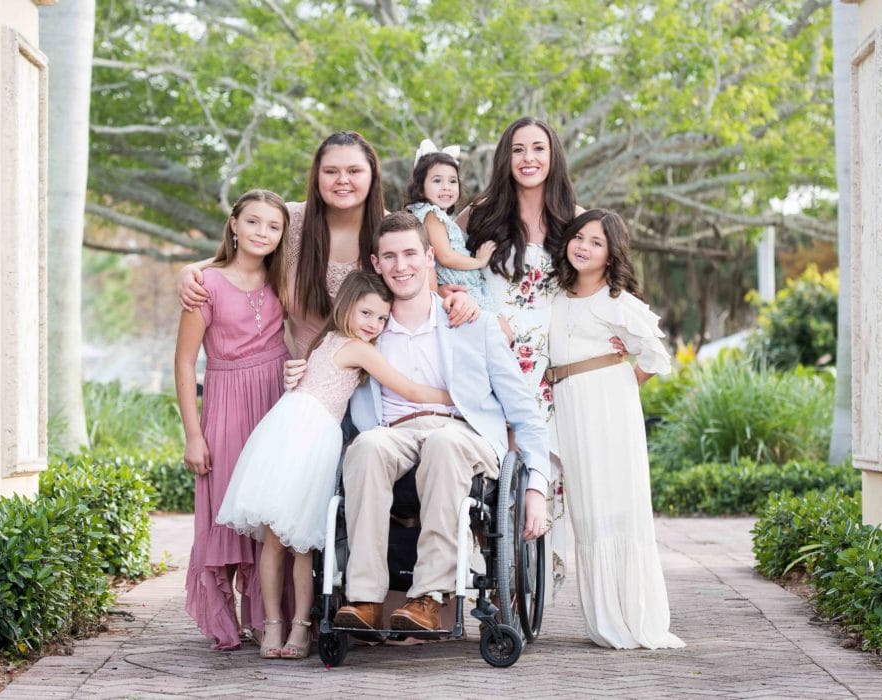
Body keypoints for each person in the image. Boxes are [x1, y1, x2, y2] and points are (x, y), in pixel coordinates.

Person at [285, 211, 552, 633]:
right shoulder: (367, 330)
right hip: (395, 434)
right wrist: (298, 378)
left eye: (410, 253)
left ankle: (430, 596)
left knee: (444, 443)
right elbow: (329, 374)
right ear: (375, 264)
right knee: (367, 446)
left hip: (463, 433)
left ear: (430, 257)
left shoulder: (471, 322)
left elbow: (523, 410)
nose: (401, 265)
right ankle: (364, 599)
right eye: (389, 257)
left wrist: (536, 486)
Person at [215, 271, 454, 659]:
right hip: (301, 436)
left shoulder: (327, 340)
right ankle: (281, 626)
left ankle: (293, 627)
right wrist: (457, 395)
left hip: (296, 430)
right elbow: (407, 388)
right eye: (366, 313)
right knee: (286, 539)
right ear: (347, 305)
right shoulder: (353, 347)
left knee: (293, 542)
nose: (373, 325)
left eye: (381, 319)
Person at [179, 131, 477, 359]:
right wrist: (195, 268)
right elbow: (242, 255)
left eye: (354, 171)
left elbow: (429, 299)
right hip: (300, 382)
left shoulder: (394, 232)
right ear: (317, 176)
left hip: (380, 384)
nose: (342, 180)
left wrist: (460, 301)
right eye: (331, 171)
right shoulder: (290, 221)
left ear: (372, 175)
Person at [454, 116, 585, 594]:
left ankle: (525, 568)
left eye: (538, 149)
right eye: (518, 149)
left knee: (532, 461)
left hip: (544, 362)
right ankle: (481, 561)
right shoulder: (480, 215)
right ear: (505, 158)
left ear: (553, 158)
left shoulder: (574, 220)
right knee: (488, 467)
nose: (529, 158)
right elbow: (450, 272)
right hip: (488, 350)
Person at [547, 208, 684, 649]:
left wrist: (618, 383)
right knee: (587, 509)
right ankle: (603, 616)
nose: (584, 246)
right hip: (566, 405)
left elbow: (655, 357)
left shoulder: (616, 300)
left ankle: (634, 616)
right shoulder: (552, 293)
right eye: (579, 237)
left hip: (608, 406)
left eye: (597, 242)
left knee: (616, 503)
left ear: (611, 254)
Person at [174, 190, 293, 651]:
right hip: (226, 403)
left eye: (273, 226)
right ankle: (226, 619)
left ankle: (270, 618)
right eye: (254, 223)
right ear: (234, 224)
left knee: (273, 512)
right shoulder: (205, 284)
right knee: (227, 511)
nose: (262, 233)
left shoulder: (282, 278)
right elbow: (185, 363)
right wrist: (192, 434)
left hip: (276, 400)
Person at [404, 139, 495, 309]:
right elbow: (445, 257)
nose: (446, 187)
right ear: (421, 187)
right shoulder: (431, 215)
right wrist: (480, 261)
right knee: (499, 330)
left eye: (452, 181)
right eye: (437, 181)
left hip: (460, 287)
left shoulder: (433, 215)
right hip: (460, 288)